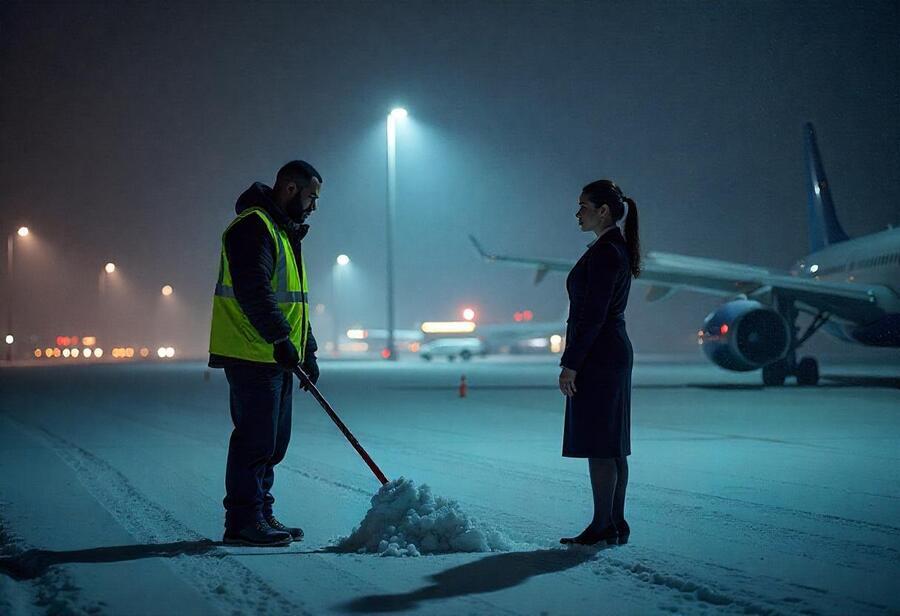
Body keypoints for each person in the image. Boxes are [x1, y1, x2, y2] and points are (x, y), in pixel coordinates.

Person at [208, 160, 322, 547]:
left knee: (274, 441)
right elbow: (253, 290)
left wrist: (308, 348)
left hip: (274, 354)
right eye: (311, 197)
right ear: (290, 189)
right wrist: (279, 339)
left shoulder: (282, 231)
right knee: (255, 440)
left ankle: (261, 511)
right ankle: (242, 520)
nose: (313, 206)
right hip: (251, 351)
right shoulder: (253, 227)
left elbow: (294, 302)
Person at [558, 179, 641, 547]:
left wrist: (571, 362)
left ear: (603, 210)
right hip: (610, 351)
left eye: (583, 206)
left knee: (600, 444)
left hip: (600, 354)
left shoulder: (607, 252)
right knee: (611, 443)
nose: (578, 213)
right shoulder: (613, 248)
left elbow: (593, 314)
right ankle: (614, 522)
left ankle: (602, 525)